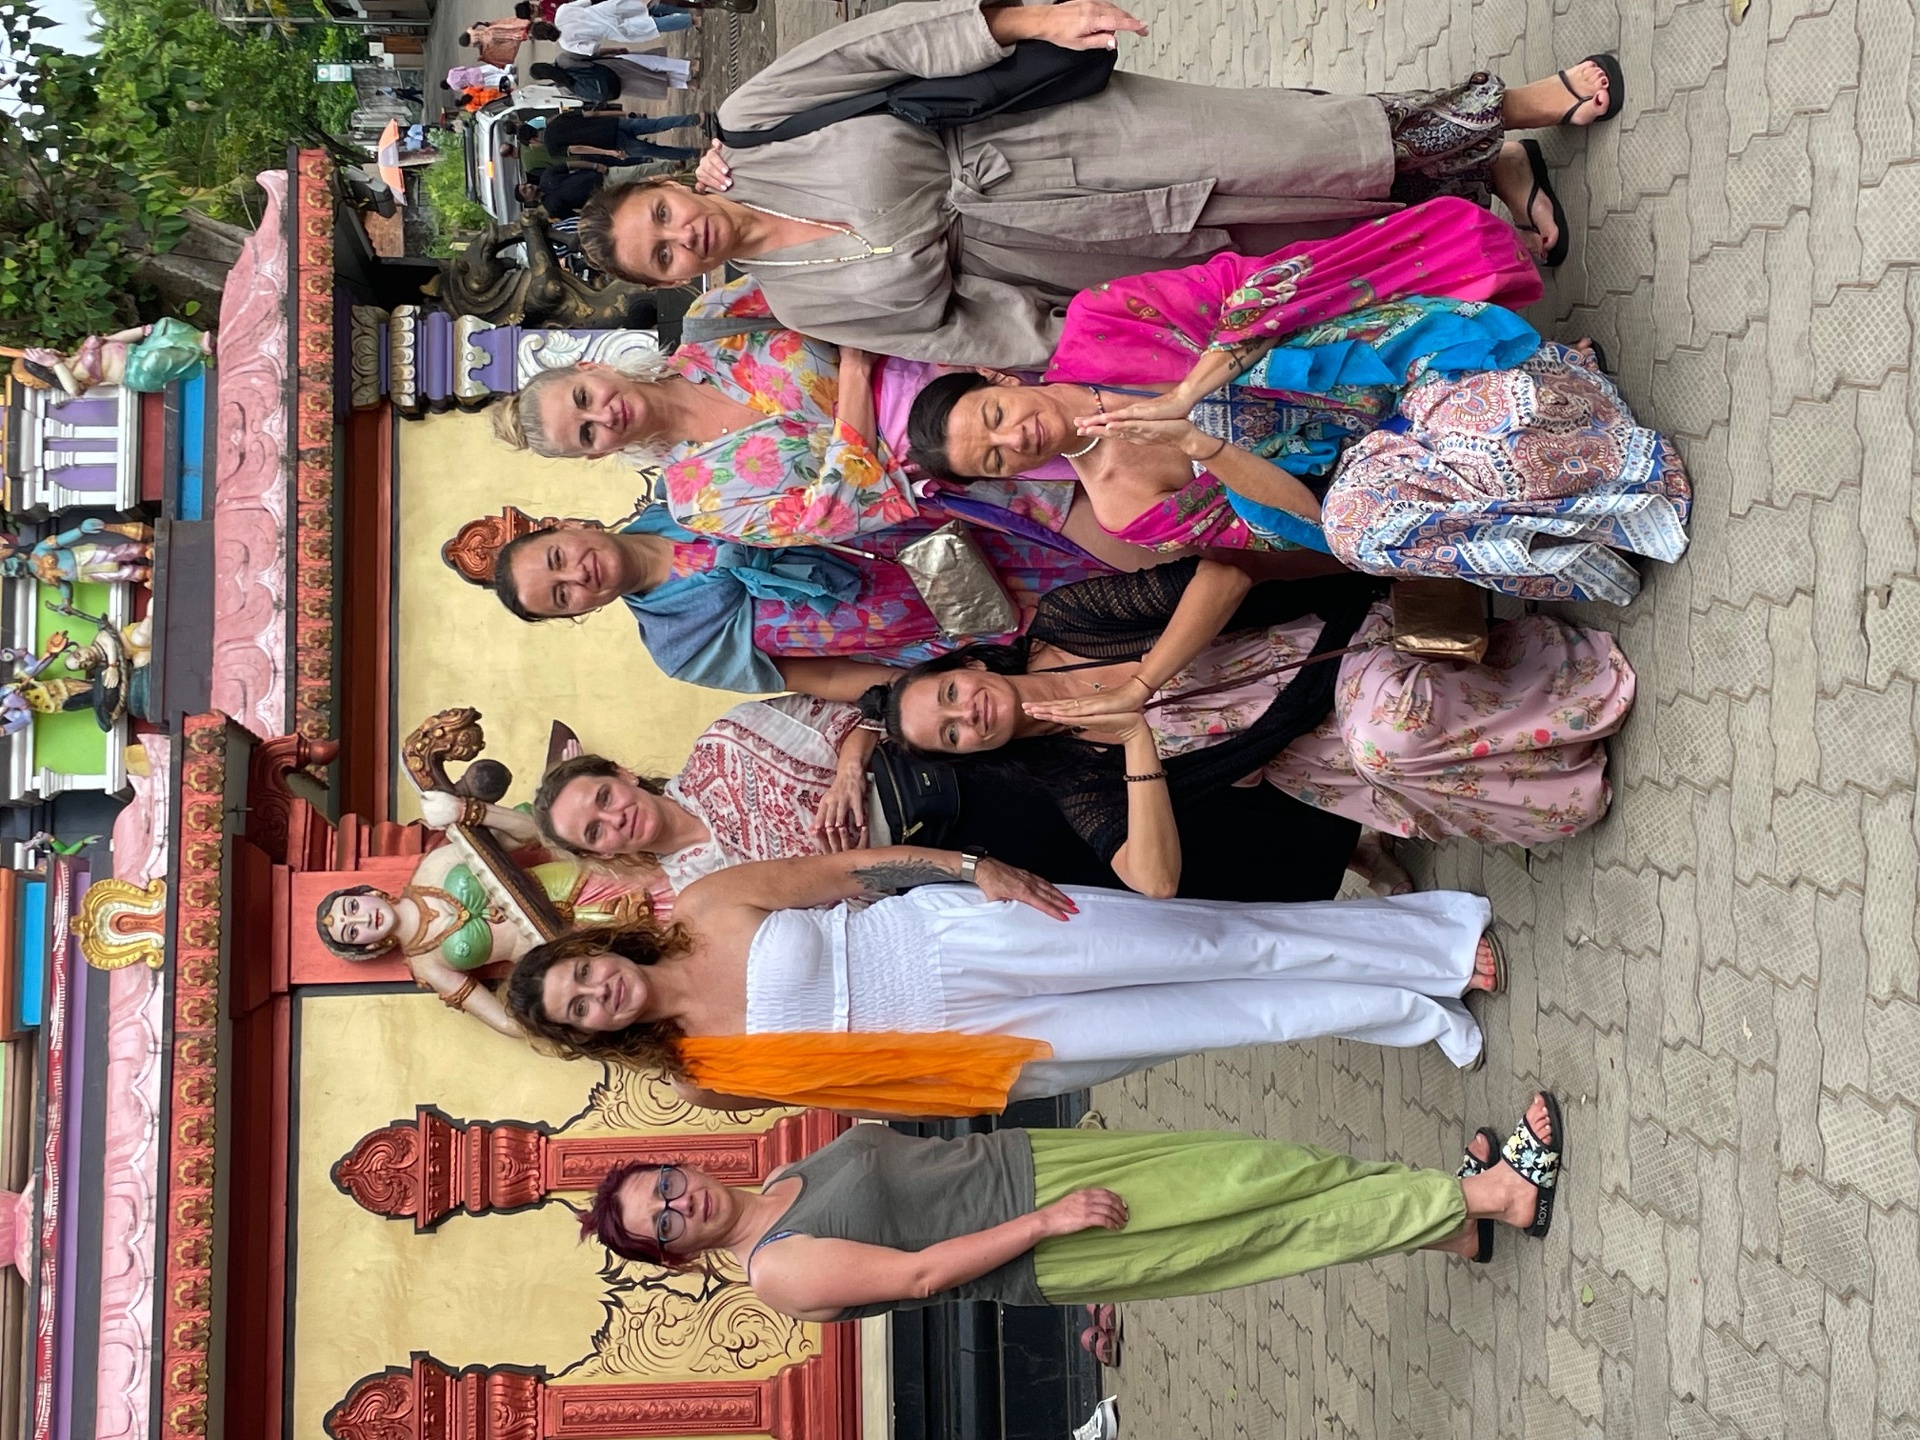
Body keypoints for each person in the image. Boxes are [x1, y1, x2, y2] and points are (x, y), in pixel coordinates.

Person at [575, 0, 1624, 365]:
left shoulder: (756, 122)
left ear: (671, 185)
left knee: (1298, 144)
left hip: (1066, 139)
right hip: (1069, 253)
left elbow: (880, 46)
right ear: (673, 279)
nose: (681, 237)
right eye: (660, 257)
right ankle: (1482, 177)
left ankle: (1521, 106)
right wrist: (1103, 335)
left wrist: (1033, 20)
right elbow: (962, 331)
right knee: (1284, 233)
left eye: (661, 215)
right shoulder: (803, 304)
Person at [502, 844, 1504, 1116]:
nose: (598, 994)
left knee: (1206, 943)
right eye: (579, 1012)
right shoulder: (696, 1075)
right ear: (591, 1034)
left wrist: (971, 867)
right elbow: (842, 1096)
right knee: (1213, 1017)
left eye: (582, 975)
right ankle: (1408, 1012)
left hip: (959, 944)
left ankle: (1435, 945)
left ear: (595, 948)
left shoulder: (705, 906)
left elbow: (851, 871)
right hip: (972, 1053)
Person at [576, 1090, 1564, 1318]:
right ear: (675, 1254)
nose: (679, 1204)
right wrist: (1045, 1222)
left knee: (1266, 1170)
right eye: (663, 1224)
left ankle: (1446, 1222)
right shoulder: (779, 1270)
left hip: (1044, 1166)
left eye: (664, 1186)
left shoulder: (789, 1176)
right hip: (1053, 1237)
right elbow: (920, 1273)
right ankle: (1494, 1194)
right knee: (1267, 1209)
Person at [877, 558, 1633, 855]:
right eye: (952, 735)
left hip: (1329, 652)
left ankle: (1560, 679)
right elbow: (1150, 878)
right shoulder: (1066, 769)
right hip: (1302, 751)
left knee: (1385, 740)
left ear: (968, 664)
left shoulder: (1066, 624)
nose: (967, 714)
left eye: (950, 695)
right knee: (1371, 757)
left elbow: (1223, 579)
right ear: (969, 756)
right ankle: (1556, 763)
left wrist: (1142, 685)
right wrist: (1134, 740)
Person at [490, 274, 1154, 572]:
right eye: (587, 432)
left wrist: (850, 434)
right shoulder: (699, 500)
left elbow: (832, 287)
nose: (603, 414)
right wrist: (857, 372)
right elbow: (838, 513)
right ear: (593, 455)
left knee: (1155, 380)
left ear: (590, 366)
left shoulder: (716, 322)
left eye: (584, 398)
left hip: (988, 358)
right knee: (1155, 519)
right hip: (988, 474)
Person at [529, 694, 1383, 904]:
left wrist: (848, 771)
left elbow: (857, 713)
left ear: (621, 775)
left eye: (600, 796)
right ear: (605, 854)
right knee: (1123, 880)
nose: (612, 816)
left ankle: (1349, 831)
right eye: (594, 831)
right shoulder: (697, 892)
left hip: (963, 790)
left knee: (1150, 808)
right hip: (939, 885)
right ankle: (1321, 878)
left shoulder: (723, 742)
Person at [312, 792, 660, 1039]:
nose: (362, 920)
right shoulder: (426, 965)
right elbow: (510, 1023)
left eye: (352, 908)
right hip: (576, 950)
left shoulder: (434, 866)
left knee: (661, 880)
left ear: (369, 893)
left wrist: (469, 810)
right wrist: (557, 1014)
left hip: (580, 882)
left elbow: (530, 831)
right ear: (369, 947)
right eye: (352, 932)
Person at [6, 321, 214, 397]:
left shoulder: (80, 352)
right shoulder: (73, 376)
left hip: (139, 351)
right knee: (157, 358)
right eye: (39, 355)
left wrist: (140, 331)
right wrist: (55, 363)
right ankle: (200, 355)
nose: (43, 349)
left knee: (165, 326)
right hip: (138, 371)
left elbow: (113, 339)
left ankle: (200, 343)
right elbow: (74, 391)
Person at [524, 110, 705, 166]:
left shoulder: (553, 149)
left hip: (612, 143)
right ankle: (694, 119)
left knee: (656, 151)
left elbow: (579, 148)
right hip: (613, 124)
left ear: (533, 140)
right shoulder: (557, 119)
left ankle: (695, 153)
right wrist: (621, 113)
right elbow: (592, 113)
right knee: (656, 124)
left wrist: (608, 153)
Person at [542, 0, 693, 59]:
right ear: (547, 23)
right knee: (647, 8)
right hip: (607, 10)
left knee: (652, 25)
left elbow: (592, 48)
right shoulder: (561, 12)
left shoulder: (566, 43)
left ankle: (691, 20)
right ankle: (687, 9)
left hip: (610, 30)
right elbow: (586, 2)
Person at [519, 166, 603, 220]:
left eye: (525, 184)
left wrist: (595, 165)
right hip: (600, 198)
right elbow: (575, 216)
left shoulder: (547, 176)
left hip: (600, 177)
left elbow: (569, 165)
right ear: (527, 200)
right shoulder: (552, 208)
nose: (529, 186)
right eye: (525, 190)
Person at [461, 16, 533, 64]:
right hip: (490, 31)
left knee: (509, 39)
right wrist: (486, 24)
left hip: (490, 41)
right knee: (508, 30)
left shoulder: (472, 43)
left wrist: (481, 55)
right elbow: (477, 23)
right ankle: (524, 29)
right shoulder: (470, 31)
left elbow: (480, 46)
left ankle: (526, 36)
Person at [445, 63, 516, 92]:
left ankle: (510, 78)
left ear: (448, 87)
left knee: (493, 80)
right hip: (473, 72)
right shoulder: (451, 72)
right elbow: (463, 68)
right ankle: (506, 69)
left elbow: (465, 88)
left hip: (474, 82)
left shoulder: (454, 87)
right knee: (491, 69)